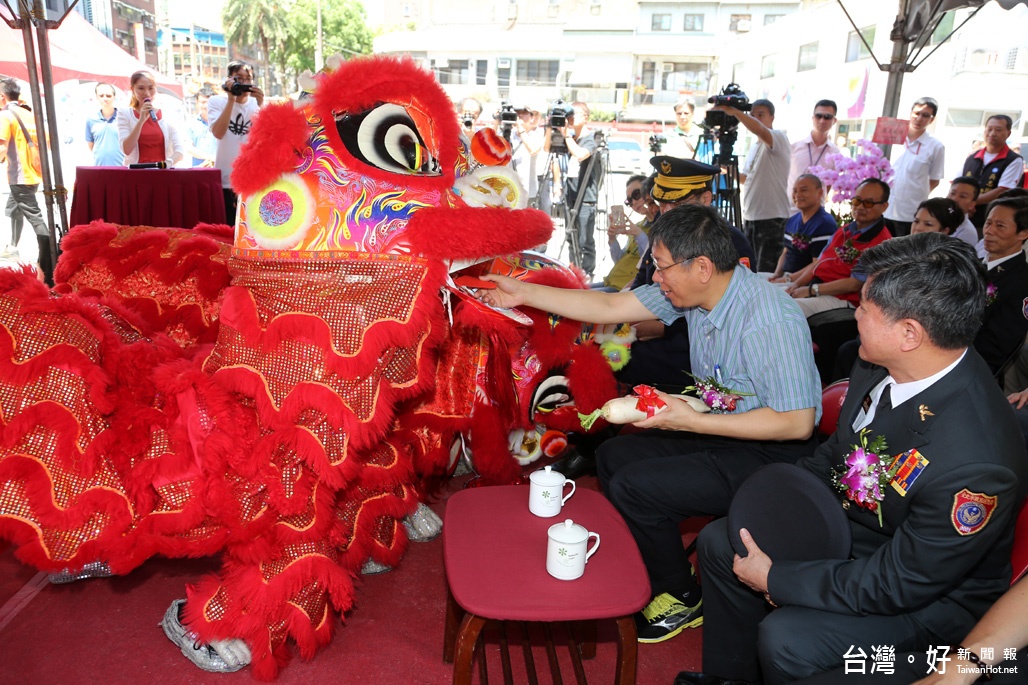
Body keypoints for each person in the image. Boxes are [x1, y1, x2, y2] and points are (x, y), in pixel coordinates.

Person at [678, 233, 1027, 685]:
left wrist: (778, 579)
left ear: (909, 334)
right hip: (864, 532)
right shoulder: (882, 361)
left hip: (931, 599)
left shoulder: (977, 462)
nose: (854, 313)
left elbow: (900, 581)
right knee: (721, 541)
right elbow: (838, 455)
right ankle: (731, 676)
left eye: (864, 306)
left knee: (788, 638)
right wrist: (775, 508)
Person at [486, 202, 821, 643]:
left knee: (636, 486)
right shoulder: (702, 293)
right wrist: (523, 293)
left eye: (661, 268)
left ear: (701, 266)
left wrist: (691, 422)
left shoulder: (768, 320)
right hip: (725, 426)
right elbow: (612, 306)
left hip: (772, 453)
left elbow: (796, 423)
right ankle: (656, 564)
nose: (655, 278)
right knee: (614, 454)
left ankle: (681, 597)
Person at [786, 178, 893, 317]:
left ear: (884, 206)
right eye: (857, 201)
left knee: (785, 309)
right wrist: (796, 284)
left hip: (844, 300)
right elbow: (819, 262)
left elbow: (854, 283)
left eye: (868, 203)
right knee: (773, 295)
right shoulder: (846, 229)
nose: (860, 207)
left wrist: (811, 290)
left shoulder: (882, 242)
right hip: (817, 288)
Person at [711, 98, 791, 273]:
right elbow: (746, 179)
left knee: (765, 272)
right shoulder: (755, 146)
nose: (755, 119)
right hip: (751, 215)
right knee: (749, 269)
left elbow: (761, 130)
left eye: (760, 115)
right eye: (752, 115)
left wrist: (735, 112)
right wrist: (725, 169)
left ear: (772, 117)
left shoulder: (778, 137)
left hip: (772, 216)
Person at [0, 78, 53, 283]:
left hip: (20, 175)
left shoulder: (5, 115)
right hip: (33, 173)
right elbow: (46, 142)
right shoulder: (29, 114)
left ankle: (48, 259)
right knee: (13, 208)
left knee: (34, 216)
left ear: (2, 97)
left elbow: (2, 147)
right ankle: (12, 247)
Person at [543, 102, 602, 279]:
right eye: (568, 115)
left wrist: (566, 135)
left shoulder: (591, 138)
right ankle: (574, 271)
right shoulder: (570, 138)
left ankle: (588, 273)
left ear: (586, 117)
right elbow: (548, 150)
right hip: (570, 195)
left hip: (585, 198)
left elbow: (581, 154)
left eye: (574, 115)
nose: (570, 119)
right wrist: (551, 128)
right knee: (571, 238)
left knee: (585, 241)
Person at [976, 197, 1028, 376]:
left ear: (1023, 233)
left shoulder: (1021, 282)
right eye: (988, 223)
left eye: (1000, 226)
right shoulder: (973, 265)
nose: (989, 231)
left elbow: (995, 349)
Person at [208, 61, 264, 225]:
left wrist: (261, 105)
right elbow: (218, 133)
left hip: (251, 178)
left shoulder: (255, 103)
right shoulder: (216, 101)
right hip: (226, 178)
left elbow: (263, 139)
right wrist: (231, 99)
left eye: (248, 79)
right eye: (239, 79)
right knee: (228, 228)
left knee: (250, 227)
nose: (244, 84)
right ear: (229, 80)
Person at [883, 97, 946, 237]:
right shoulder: (893, 138)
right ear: (911, 113)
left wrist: (914, 195)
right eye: (917, 113)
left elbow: (935, 180)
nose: (919, 118)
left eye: (925, 115)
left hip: (910, 215)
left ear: (932, 119)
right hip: (884, 209)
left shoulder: (935, 146)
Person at [769, 174, 837, 282]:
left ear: (820, 193)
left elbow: (817, 264)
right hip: (787, 278)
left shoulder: (825, 224)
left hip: (805, 283)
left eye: (803, 190)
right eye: (795, 191)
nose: (797, 195)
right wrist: (777, 275)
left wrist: (786, 280)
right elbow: (786, 251)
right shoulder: (793, 220)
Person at [962, 115, 1024, 233]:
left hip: (989, 222)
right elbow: (958, 184)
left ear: (1008, 133)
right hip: (964, 218)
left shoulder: (1013, 160)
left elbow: (1002, 190)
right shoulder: (972, 157)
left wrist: (969, 203)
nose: (992, 133)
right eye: (989, 129)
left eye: (998, 130)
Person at [116, 70, 186, 167]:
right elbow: (126, 150)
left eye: (151, 88)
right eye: (141, 88)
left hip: (163, 173)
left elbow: (179, 150)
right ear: (132, 89)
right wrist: (141, 121)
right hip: (136, 173)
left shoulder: (168, 113)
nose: (147, 93)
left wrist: (167, 163)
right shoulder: (124, 114)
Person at [595, 174, 651, 292]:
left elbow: (649, 259)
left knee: (571, 299)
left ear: (649, 191)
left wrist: (637, 233)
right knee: (571, 288)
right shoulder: (639, 225)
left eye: (637, 194)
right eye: (629, 201)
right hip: (611, 281)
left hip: (624, 289)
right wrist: (612, 239)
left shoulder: (660, 227)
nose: (634, 202)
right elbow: (620, 259)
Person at [786, 99, 841, 210]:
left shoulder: (835, 153)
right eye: (818, 116)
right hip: (789, 210)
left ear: (834, 120)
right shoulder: (795, 147)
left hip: (815, 214)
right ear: (813, 118)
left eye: (827, 117)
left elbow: (829, 185)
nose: (822, 120)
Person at [84, 82, 124, 167]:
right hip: (100, 168)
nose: (105, 98)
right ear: (97, 97)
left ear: (114, 97)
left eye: (108, 96)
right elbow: (91, 146)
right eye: (101, 96)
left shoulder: (123, 118)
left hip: (122, 168)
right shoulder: (91, 120)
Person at [946, 176, 984, 247]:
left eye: (962, 196)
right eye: (952, 193)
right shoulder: (933, 216)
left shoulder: (967, 232)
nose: (954, 199)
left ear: (972, 205)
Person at [187, 88, 217, 168]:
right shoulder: (191, 123)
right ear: (197, 103)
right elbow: (188, 147)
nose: (206, 106)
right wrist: (210, 157)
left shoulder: (221, 123)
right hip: (198, 170)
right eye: (203, 102)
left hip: (219, 169)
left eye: (209, 102)